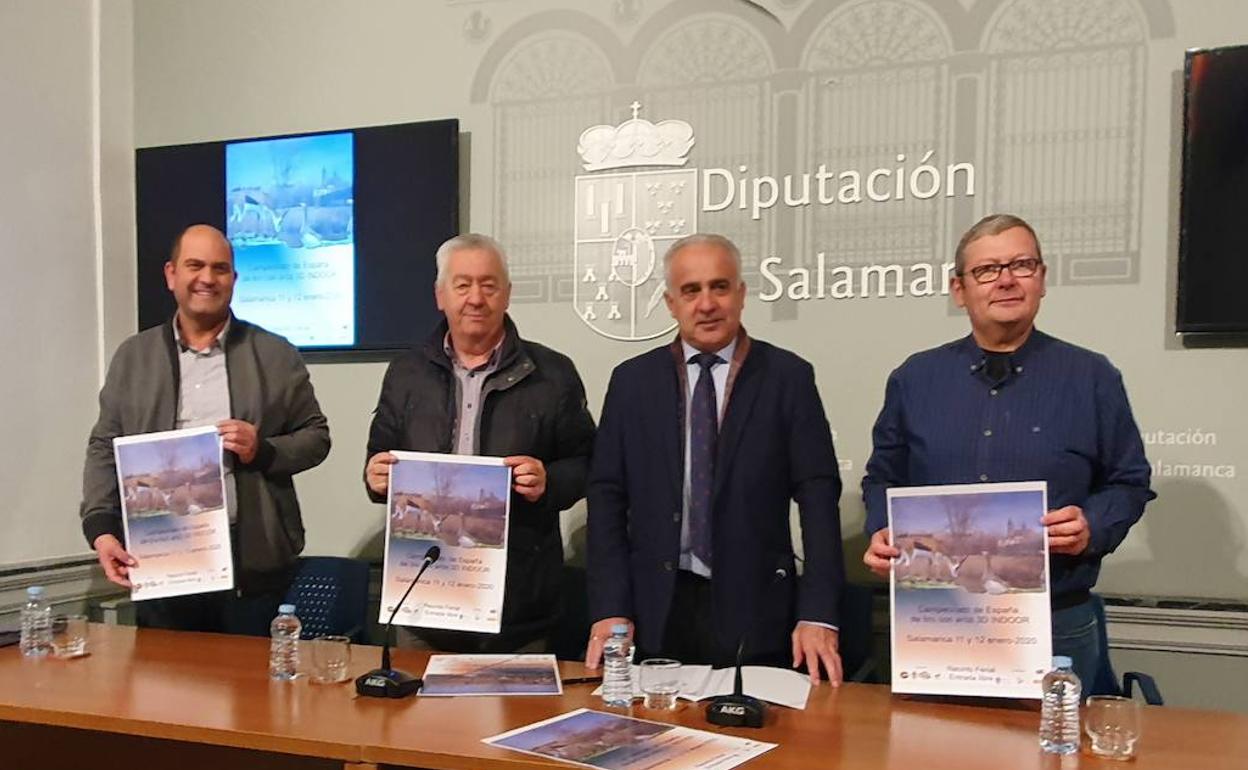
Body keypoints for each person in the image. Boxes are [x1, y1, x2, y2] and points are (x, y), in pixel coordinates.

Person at [861, 213, 1155, 687]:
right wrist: (882, 527)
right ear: (959, 289)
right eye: (987, 270)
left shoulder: (1092, 377)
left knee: (1058, 759)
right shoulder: (914, 379)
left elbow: (1129, 482)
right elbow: (882, 477)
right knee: (934, 754)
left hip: (1055, 621)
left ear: (1041, 279)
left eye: (1021, 264)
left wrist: (1092, 525)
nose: (1006, 280)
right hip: (939, 619)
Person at [585, 233, 845, 684]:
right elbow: (606, 496)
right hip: (653, 615)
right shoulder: (631, 382)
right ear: (670, 302)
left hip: (758, 615)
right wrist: (611, 608)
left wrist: (819, 613)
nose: (706, 303)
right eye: (691, 290)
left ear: (741, 295)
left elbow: (819, 495)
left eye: (719, 287)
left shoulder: (788, 377)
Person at [80, 224, 331, 635]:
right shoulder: (133, 357)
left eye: (220, 268)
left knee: (250, 694)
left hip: (251, 567)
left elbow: (316, 438)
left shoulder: (275, 354)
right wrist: (102, 530)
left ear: (234, 279)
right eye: (195, 265)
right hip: (160, 559)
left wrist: (262, 450)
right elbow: (104, 448)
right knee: (163, 692)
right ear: (171, 274)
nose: (207, 278)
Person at [364, 233, 596, 653]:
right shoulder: (405, 373)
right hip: (424, 595)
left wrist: (550, 481)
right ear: (440, 296)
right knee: (420, 719)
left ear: (507, 295)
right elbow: (378, 460)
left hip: (518, 605)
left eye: (489, 285)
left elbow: (588, 464)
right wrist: (375, 476)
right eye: (463, 284)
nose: (476, 298)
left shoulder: (552, 374)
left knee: (514, 719)